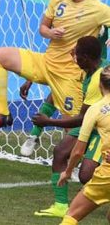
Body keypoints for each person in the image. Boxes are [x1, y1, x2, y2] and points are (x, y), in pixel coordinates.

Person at [0, 0, 110, 134]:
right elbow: (43, 28)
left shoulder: (98, 9)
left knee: (74, 129)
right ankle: (2, 114)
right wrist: (50, 33)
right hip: (45, 63)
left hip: (68, 75)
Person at [32, 36, 106, 218]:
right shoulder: (91, 66)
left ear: (86, 58)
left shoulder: (99, 79)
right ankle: (60, 206)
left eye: (77, 54)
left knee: (85, 176)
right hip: (92, 120)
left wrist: (48, 122)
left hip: (102, 126)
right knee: (60, 152)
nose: (74, 57)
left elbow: (81, 118)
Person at [20, 26, 109, 156]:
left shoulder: (100, 18)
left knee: (76, 124)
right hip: (72, 70)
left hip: (94, 72)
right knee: (55, 93)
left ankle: (73, 161)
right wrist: (30, 78)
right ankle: (34, 135)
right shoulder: (71, 21)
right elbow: (53, 52)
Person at [58, 64, 110, 225]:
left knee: (71, 215)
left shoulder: (95, 110)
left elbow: (78, 151)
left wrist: (67, 172)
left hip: (107, 175)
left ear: (100, 85)